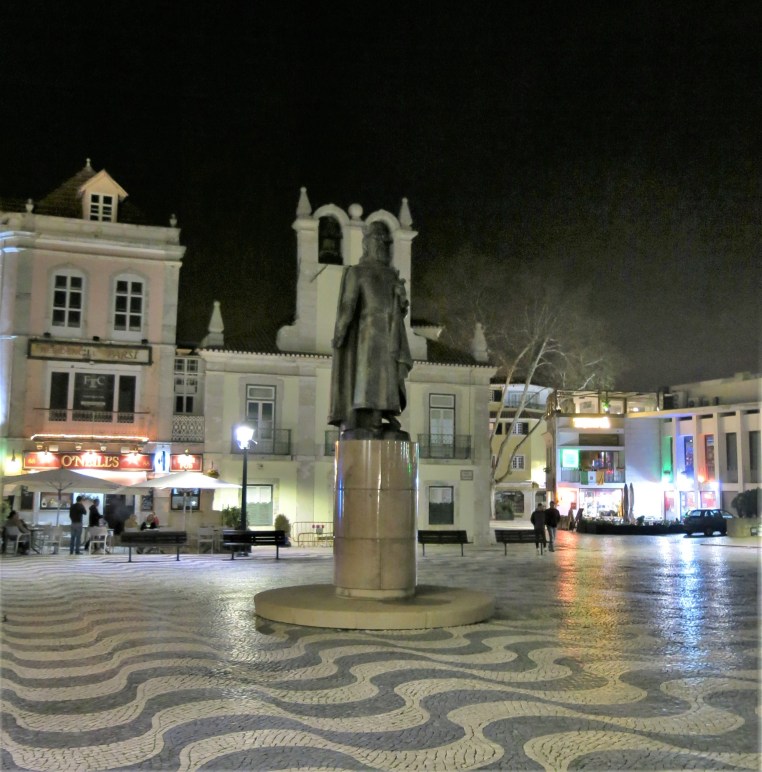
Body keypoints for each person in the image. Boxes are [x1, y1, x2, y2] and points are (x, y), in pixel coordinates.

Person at [328, 221, 413, 439]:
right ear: (367, 244)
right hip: (366, 335)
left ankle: (383, 412)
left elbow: (399, 310)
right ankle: (368, 417)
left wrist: (401, 300)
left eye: (385, 242)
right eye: (378, 242)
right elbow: (348, 306)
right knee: (367, 378)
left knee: (386, 376)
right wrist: (340, 333)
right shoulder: (357, 273)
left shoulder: (391, 275)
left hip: (389, 334)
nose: (382, 246)